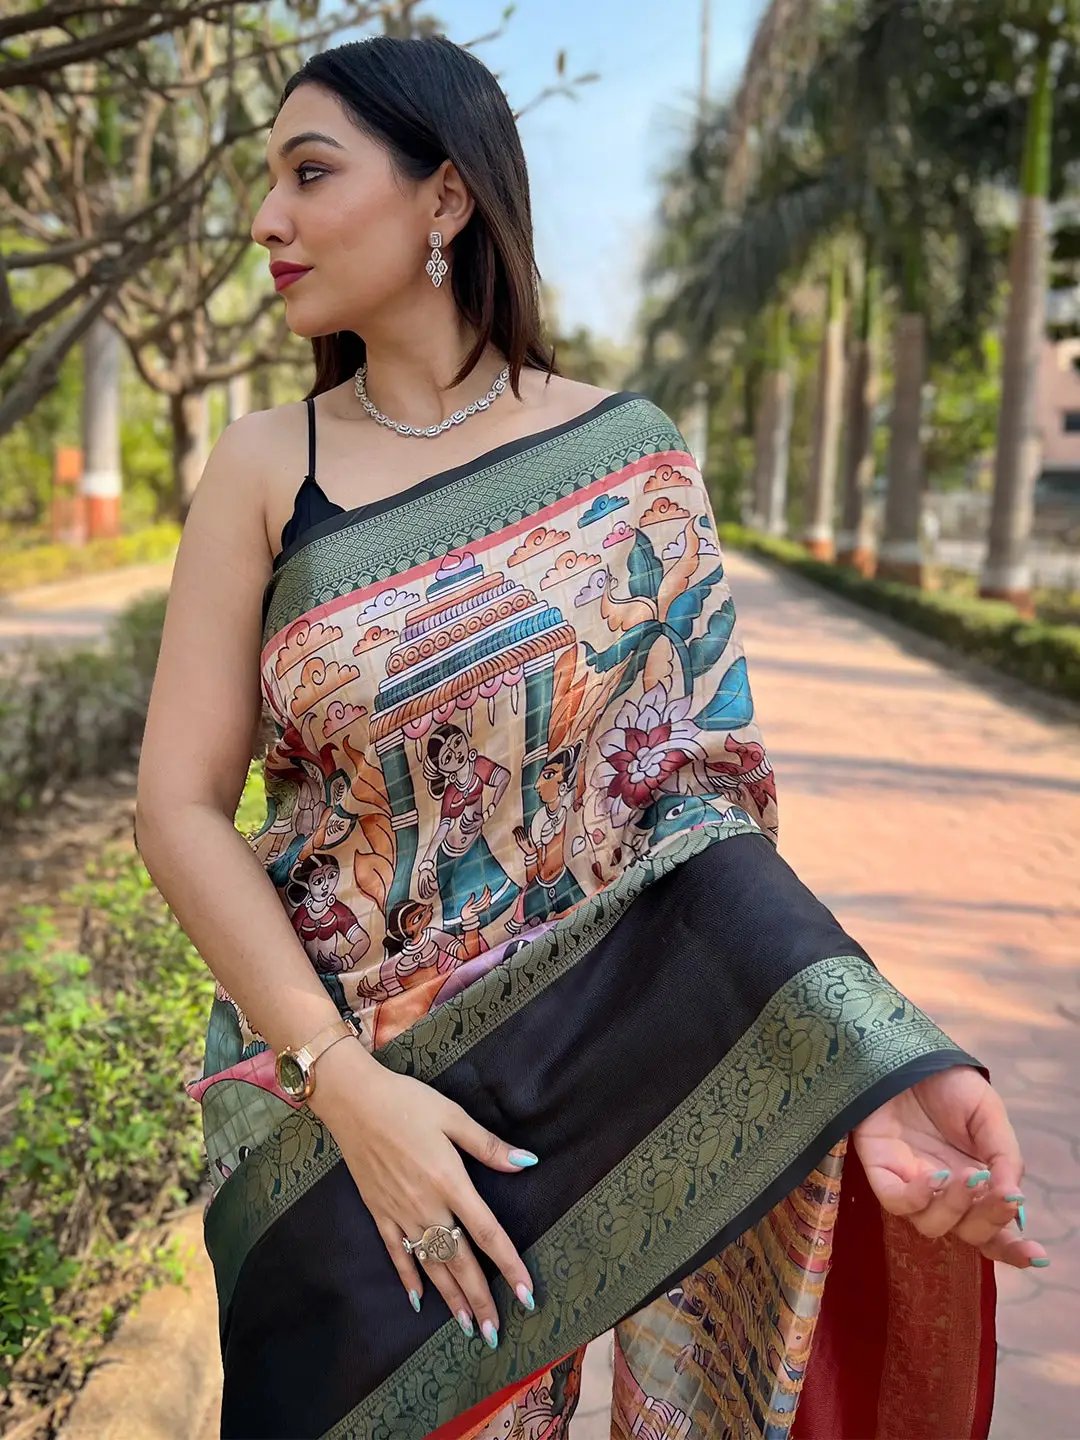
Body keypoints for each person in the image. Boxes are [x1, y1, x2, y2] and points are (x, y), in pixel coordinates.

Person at [133, 34, 1047, 1440]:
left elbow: (702, 816)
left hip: (583, 1077)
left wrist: (867, 1065)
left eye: (310, 173)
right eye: (268, 181)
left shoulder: (630, 460)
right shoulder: (270, 465)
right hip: (333, 1117)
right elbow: (178, 808)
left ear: (445, 201)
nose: (269, 219)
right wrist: (346, 1082)